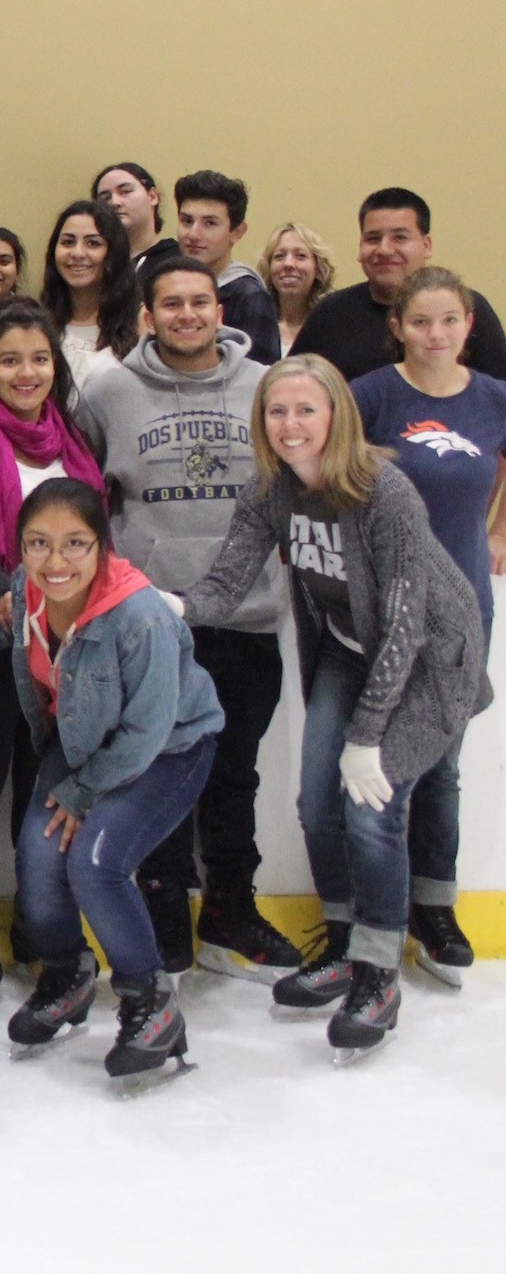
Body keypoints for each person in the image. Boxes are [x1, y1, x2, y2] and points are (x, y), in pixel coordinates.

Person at [181, 356, 489, 1058]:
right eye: (276, 412)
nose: (291, 426)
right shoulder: (271, 490)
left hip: (429, 661)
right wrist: (172, 606)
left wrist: (369, 734)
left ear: (336, 417)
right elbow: (228, 580)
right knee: (316, 804)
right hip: (352, 654)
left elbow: (409, 623)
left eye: (306, 410)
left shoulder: (385, 492)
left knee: (369, 806)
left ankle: (379, 972)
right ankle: (347, 943)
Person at [0, 480, 223, 1087]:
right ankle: (67, 975)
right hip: (82, 743)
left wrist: (82, 792)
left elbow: (146, 732)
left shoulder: (141, 617)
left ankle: (151, 1004)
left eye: (75, 544)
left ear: (102, 546)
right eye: (38, 544)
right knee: (41, 857)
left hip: (168, 751)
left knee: (95, 862)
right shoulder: (31, 590)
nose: (55, 561)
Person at [75, 259, 300, 979]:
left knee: (234, 773)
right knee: (159, 769)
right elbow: (84, 493)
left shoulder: (266, 384)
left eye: (199, 301)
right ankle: (166, 907)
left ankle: (231, 907)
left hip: (248, 611)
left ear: (218, 308)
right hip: (152, 620)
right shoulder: (110, 390)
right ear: (148, 313)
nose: (187, 314)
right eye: (171, 303)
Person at [0, 297, 102, 991]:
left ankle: (40, 913)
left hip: (72, 639)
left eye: (38, 359)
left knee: (47, 780)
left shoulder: (76, 437)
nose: (26, 372)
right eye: (10, 360)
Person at [350, 266, 506, 986]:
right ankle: (371, 910)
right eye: (421, 322)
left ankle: (434, 907)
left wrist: (498, 531)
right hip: (385, 612)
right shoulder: (373, 396)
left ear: (468, 323)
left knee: (441, 766)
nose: (435, 334)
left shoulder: (494, 400)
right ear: (400, 327)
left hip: (465, 607)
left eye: (449, 320)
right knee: (380, 768)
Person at [291, 187, 506, 379]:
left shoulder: (465, 308)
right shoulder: (330, 313)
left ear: (427, 245)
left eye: (400, 237)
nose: (384, 249)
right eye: (373, 238)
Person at [173, 169, 281, 363]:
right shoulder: (163, 286)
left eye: (210, 223)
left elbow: (260, 379)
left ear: (237, 232)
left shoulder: (250, 297)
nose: (193, 234)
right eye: (187, 221)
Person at [39, 198, 139, 391]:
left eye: (93, 243)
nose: (77, 253)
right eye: (68, 242)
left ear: (114, 252)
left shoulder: (141, 324)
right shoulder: (36, 323)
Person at [258, 220, 334, 353]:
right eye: (279, 256)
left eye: (300, 256)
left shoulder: (333, 326)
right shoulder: (257, 326)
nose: (288, 264)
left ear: (318, 269)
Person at [93, 160, 171, 272]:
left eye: (125, 191)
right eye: (105, 198)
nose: (114, 202)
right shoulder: (95, 264)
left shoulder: (176, 260)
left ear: (152, 196)